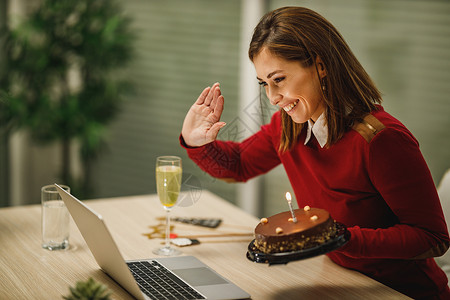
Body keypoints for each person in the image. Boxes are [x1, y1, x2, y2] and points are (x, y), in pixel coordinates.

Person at [180, 6, 450, 299]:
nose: (272, 98)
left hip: (399, 292)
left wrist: (338, 237)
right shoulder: (288, 127)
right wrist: (197, 141)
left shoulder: (381, 140)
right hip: (338, 279)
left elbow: (432, 238)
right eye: (264, 85)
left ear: (320, 66)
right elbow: (239, 164)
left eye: (279, 80)